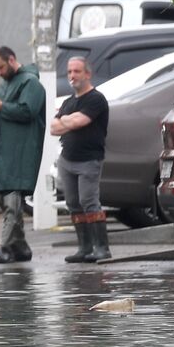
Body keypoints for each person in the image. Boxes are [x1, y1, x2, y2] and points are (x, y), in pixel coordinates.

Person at [0, 45, 45, 263]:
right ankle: (21, 246)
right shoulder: (5, 85)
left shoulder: (31, 83)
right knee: (5, 198)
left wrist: (0, 106)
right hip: (4, 152)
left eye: (0, 67)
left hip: (21, 151)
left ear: (11, 59)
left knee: (12, 200)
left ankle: (5, 246)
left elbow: (28, 111)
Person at [50, 56, 111, 263]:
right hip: (67, 159)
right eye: (69, 72)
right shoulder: (69, 102)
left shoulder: (96, 99)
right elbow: (53, 128)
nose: (72, 76)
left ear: (87, 73)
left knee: (89, 201)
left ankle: (102, 248)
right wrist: (68, 121)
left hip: (89, 160)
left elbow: (80, 121)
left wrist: (65, 120)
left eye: (76, 71)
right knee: (73, 203)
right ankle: (84, 248)